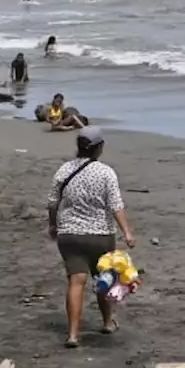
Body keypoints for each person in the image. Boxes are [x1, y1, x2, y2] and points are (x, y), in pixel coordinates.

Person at [47, 127, 135, 348]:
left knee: (76, 282)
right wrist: (127, 232)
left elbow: (52, 202)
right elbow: (116, 206)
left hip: (70, 235)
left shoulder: (64, 170)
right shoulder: (106, 173)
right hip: (100, 236)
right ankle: (107, 322)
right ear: (99, 148)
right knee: (104, 279)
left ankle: (73, 334)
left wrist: (52, 225)